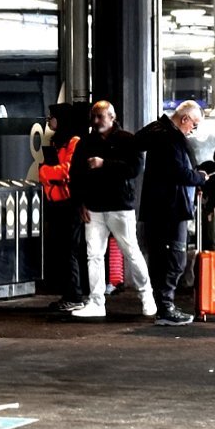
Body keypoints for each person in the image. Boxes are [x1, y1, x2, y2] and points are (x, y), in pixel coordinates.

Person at [70, 101, 155, 319]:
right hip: (94, 206)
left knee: (131, 252)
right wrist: (80, 202)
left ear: (112, 116)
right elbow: (75, 173)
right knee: (94, 255)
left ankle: (147, 295)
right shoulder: (86, 142)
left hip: (120, 205)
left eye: (100, 116)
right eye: (94, 116)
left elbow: (135, 169)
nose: (96, 121)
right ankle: (97, 301)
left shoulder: (127, 140)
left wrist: (103, 164)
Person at [136, 100, 208, 326]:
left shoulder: (159, 132)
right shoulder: (171, 138)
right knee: (175, 258)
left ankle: (163, 305)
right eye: (193, 124)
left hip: (157, 206)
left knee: (159, 257)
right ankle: (166, 306)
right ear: (184, 119)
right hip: (172, 206)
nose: (193, 130)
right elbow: (179, 172)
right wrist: (200, 178)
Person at [40, 103, 89, 314]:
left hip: (69, 202)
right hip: (56, 201)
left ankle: (75, 295)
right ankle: (70, 293)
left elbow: (66, 171)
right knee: (63, 250)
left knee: (70, 250)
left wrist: (45, 172)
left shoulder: (74, 141)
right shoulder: (56, 141)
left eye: (52, 117)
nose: (49, 121)